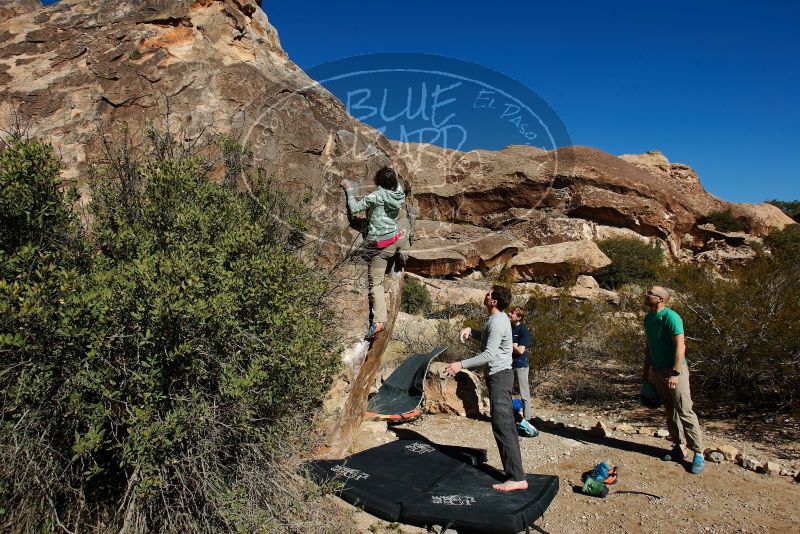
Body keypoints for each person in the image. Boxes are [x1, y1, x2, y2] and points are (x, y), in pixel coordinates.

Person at [444, 285, 528, 492]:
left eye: (489, 293)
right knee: (503, 424)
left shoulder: (499, 322)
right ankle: (516, 475)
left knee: (503, 425)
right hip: (498, 376)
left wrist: (460, 364)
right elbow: (491, 340)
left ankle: (516, 477)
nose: (485, 294)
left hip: (500, 377)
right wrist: (472, 331)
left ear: (494, 301)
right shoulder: (495, 320)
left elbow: (489, 354)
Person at [642, 286, 705, 475]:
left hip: (675, 370)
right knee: (670, 411)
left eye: (650, 293)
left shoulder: (671, 317)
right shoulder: (648, 319)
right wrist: (646, 374)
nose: (647, 295)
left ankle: (699, 454)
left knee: (685, 410)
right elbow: (649, 348)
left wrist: (675, 373)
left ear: (660, 299)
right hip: (658, 370)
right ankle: (679, 447)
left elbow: (680, 347)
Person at [340, 167, 409, 338]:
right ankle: (402, 251)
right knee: (402, 225)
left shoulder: (375, 197)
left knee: (376, 284)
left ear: (378, 182)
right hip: (393, 240)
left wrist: (349, 190)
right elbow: (397, 183)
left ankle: (378, 321)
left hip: (380, 245)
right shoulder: (399, 194)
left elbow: (355, 208)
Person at [508, 306, 534, 423]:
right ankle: (509, 416)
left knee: (524, 393)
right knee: (507, 391)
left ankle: (527, 419)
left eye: (512, 313)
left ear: (518, 317)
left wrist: (511, 346)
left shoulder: (523, 331)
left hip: (521, 365)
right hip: (509, 364)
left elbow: (520, 351)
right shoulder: (509, 328)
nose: (509, 314)